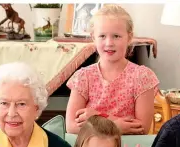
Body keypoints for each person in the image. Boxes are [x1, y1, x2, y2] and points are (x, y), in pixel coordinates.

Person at [65, 4, 159, 135]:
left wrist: (98, 117)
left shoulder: (142, 76)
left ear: (129, 37)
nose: (109, 43)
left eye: (116, 36)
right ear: (93, 37)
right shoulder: (83, 77)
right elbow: (71, 126)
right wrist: (115, 126)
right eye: (102, 36)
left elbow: (142, 128)